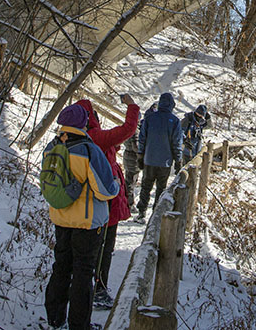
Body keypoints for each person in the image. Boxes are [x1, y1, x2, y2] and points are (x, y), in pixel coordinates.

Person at [44, 102, 119, 330]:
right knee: (83, 273)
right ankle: (79, 325)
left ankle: (56, 319)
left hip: (60, 218)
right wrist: (115, 184)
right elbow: (104, 190)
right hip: (87, 223)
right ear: (83, 124)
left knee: (61, 267)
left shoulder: (51, 147)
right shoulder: (89, 150)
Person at [78, 94, 139, 310]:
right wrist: (132, 106)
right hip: (107, 202)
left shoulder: (79, 138)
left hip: (95, 202)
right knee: (104, 247)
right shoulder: (95, 136)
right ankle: (98, 290)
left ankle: (92, 288)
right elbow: (127, 130)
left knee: (96, 247)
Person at [134, 92, 182, 223]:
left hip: (149, 159)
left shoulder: (150, 118)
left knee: (146, 186)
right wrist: (178, 160)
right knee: (161, 188)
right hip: (165, 162)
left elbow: (142, 138)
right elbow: (176, 142)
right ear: (172, 105)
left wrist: (140, 155)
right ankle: (156, 214)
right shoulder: (175, 121)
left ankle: (141, 212)